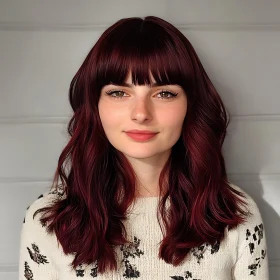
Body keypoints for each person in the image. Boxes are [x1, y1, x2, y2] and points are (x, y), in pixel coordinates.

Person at [19, 16, 269, 279]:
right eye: (118, 93)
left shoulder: (234, 215)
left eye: (164, 93)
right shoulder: (50, 220)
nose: (140, 114)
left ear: (190, 105)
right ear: (95, 105)